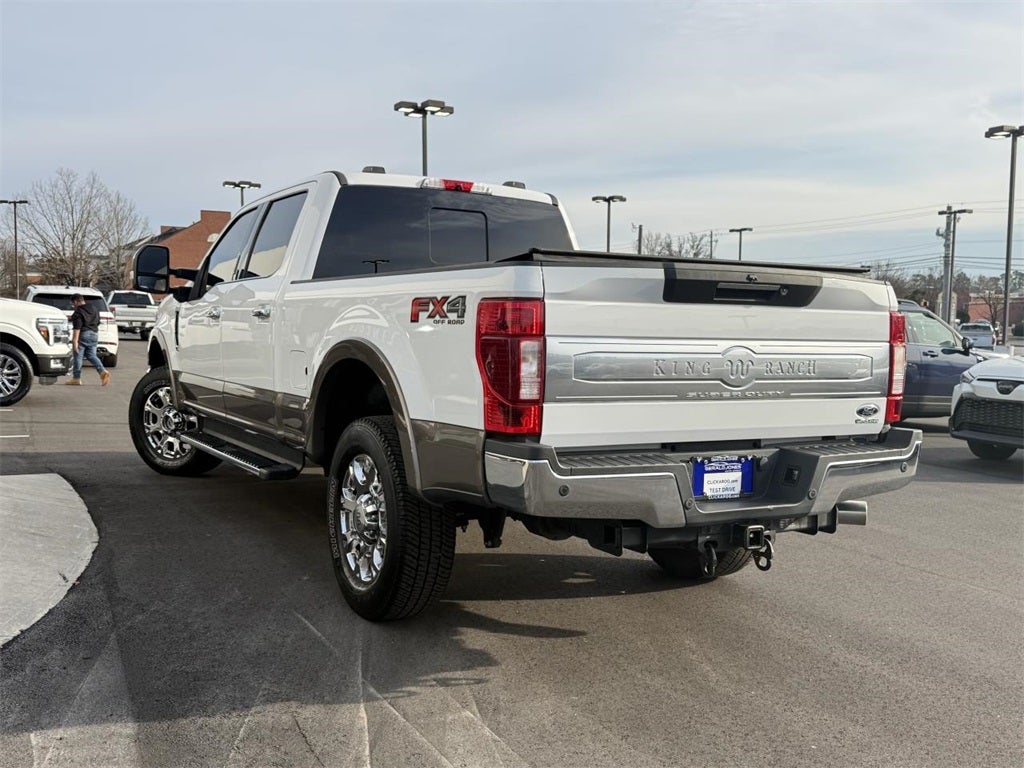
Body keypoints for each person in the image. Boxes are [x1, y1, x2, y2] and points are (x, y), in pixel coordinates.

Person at [66, 294, 111, 386]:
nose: (73, 306)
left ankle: (76, 378)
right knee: (91, 355)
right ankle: (102, 371)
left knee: (78, 356)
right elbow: (97, 321)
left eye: (73, 304)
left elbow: (77, 327)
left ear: (76, 301)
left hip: (83, 334)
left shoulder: (78, 312)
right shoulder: (94, 308)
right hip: (94, 334)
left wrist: (75, 341)